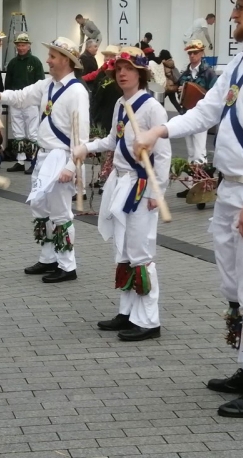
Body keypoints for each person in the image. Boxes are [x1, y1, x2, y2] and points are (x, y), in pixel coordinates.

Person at [133, 0, 243, 418]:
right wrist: (160, 129)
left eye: (240, 7)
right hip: (231, 188)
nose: (231, 15)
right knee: (233, 286)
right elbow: (209, 109)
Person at [73, 47, 171, 341]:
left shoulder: (152, 108)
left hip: (141, 185)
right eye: (118, 70)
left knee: (141, 251)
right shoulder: (119, 103)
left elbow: (163, 154)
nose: (122, 74)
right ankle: (128, 312)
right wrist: (87, 147)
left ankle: (149, 320)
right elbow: (113, 140)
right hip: (120, 182)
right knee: (125, 251)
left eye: (128, 69)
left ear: (141, 73)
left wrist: (158, 191)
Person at [0, 36, 89, 284]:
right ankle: (47, 257)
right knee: (39, 207)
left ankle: (67, 265)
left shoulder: (77, 92)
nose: (48, 60)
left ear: (66, 60)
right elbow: (22, 96)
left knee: (61, 212)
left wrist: (70, 166)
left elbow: (81, 137)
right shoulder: (47, 85)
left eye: (52, 56)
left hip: (61, 156)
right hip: (43, 156)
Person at [176, 39, 217, 197]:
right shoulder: (185, 74)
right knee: (191, 152)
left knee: (200, 152)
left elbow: (215, 94)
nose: (192, 55)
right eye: (190, 53)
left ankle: (202, 187)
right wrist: (181, 90)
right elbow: (179, 93)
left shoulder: (208, 72)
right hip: (187, 114)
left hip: (201, 116)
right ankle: (191, 186)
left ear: (201, 53)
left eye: (195, 53)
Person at [5, 33, 45, 174]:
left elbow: (41, 82)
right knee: (18, 132)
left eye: (23, 45)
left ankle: (35, 161)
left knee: (33, 132)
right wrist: (8, 98)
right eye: (18, 45)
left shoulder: (35, 62)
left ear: (29, 46)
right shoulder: (12, 63)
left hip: (31, 102)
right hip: (15, 101)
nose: (21, 48)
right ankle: (20, 161)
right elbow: (8, 84)